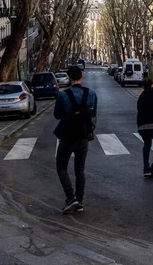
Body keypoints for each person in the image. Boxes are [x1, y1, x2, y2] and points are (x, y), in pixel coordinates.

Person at [53, 65, 98, 214]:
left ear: (68, 77)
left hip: (67, 136)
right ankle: (79, 201)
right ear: (81, 77)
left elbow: (57, 115)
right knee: (80, 169)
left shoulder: (62, 95)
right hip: (84, 135)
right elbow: (93, 114)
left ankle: (70, 197)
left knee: (61, 167)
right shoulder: (91, 93)